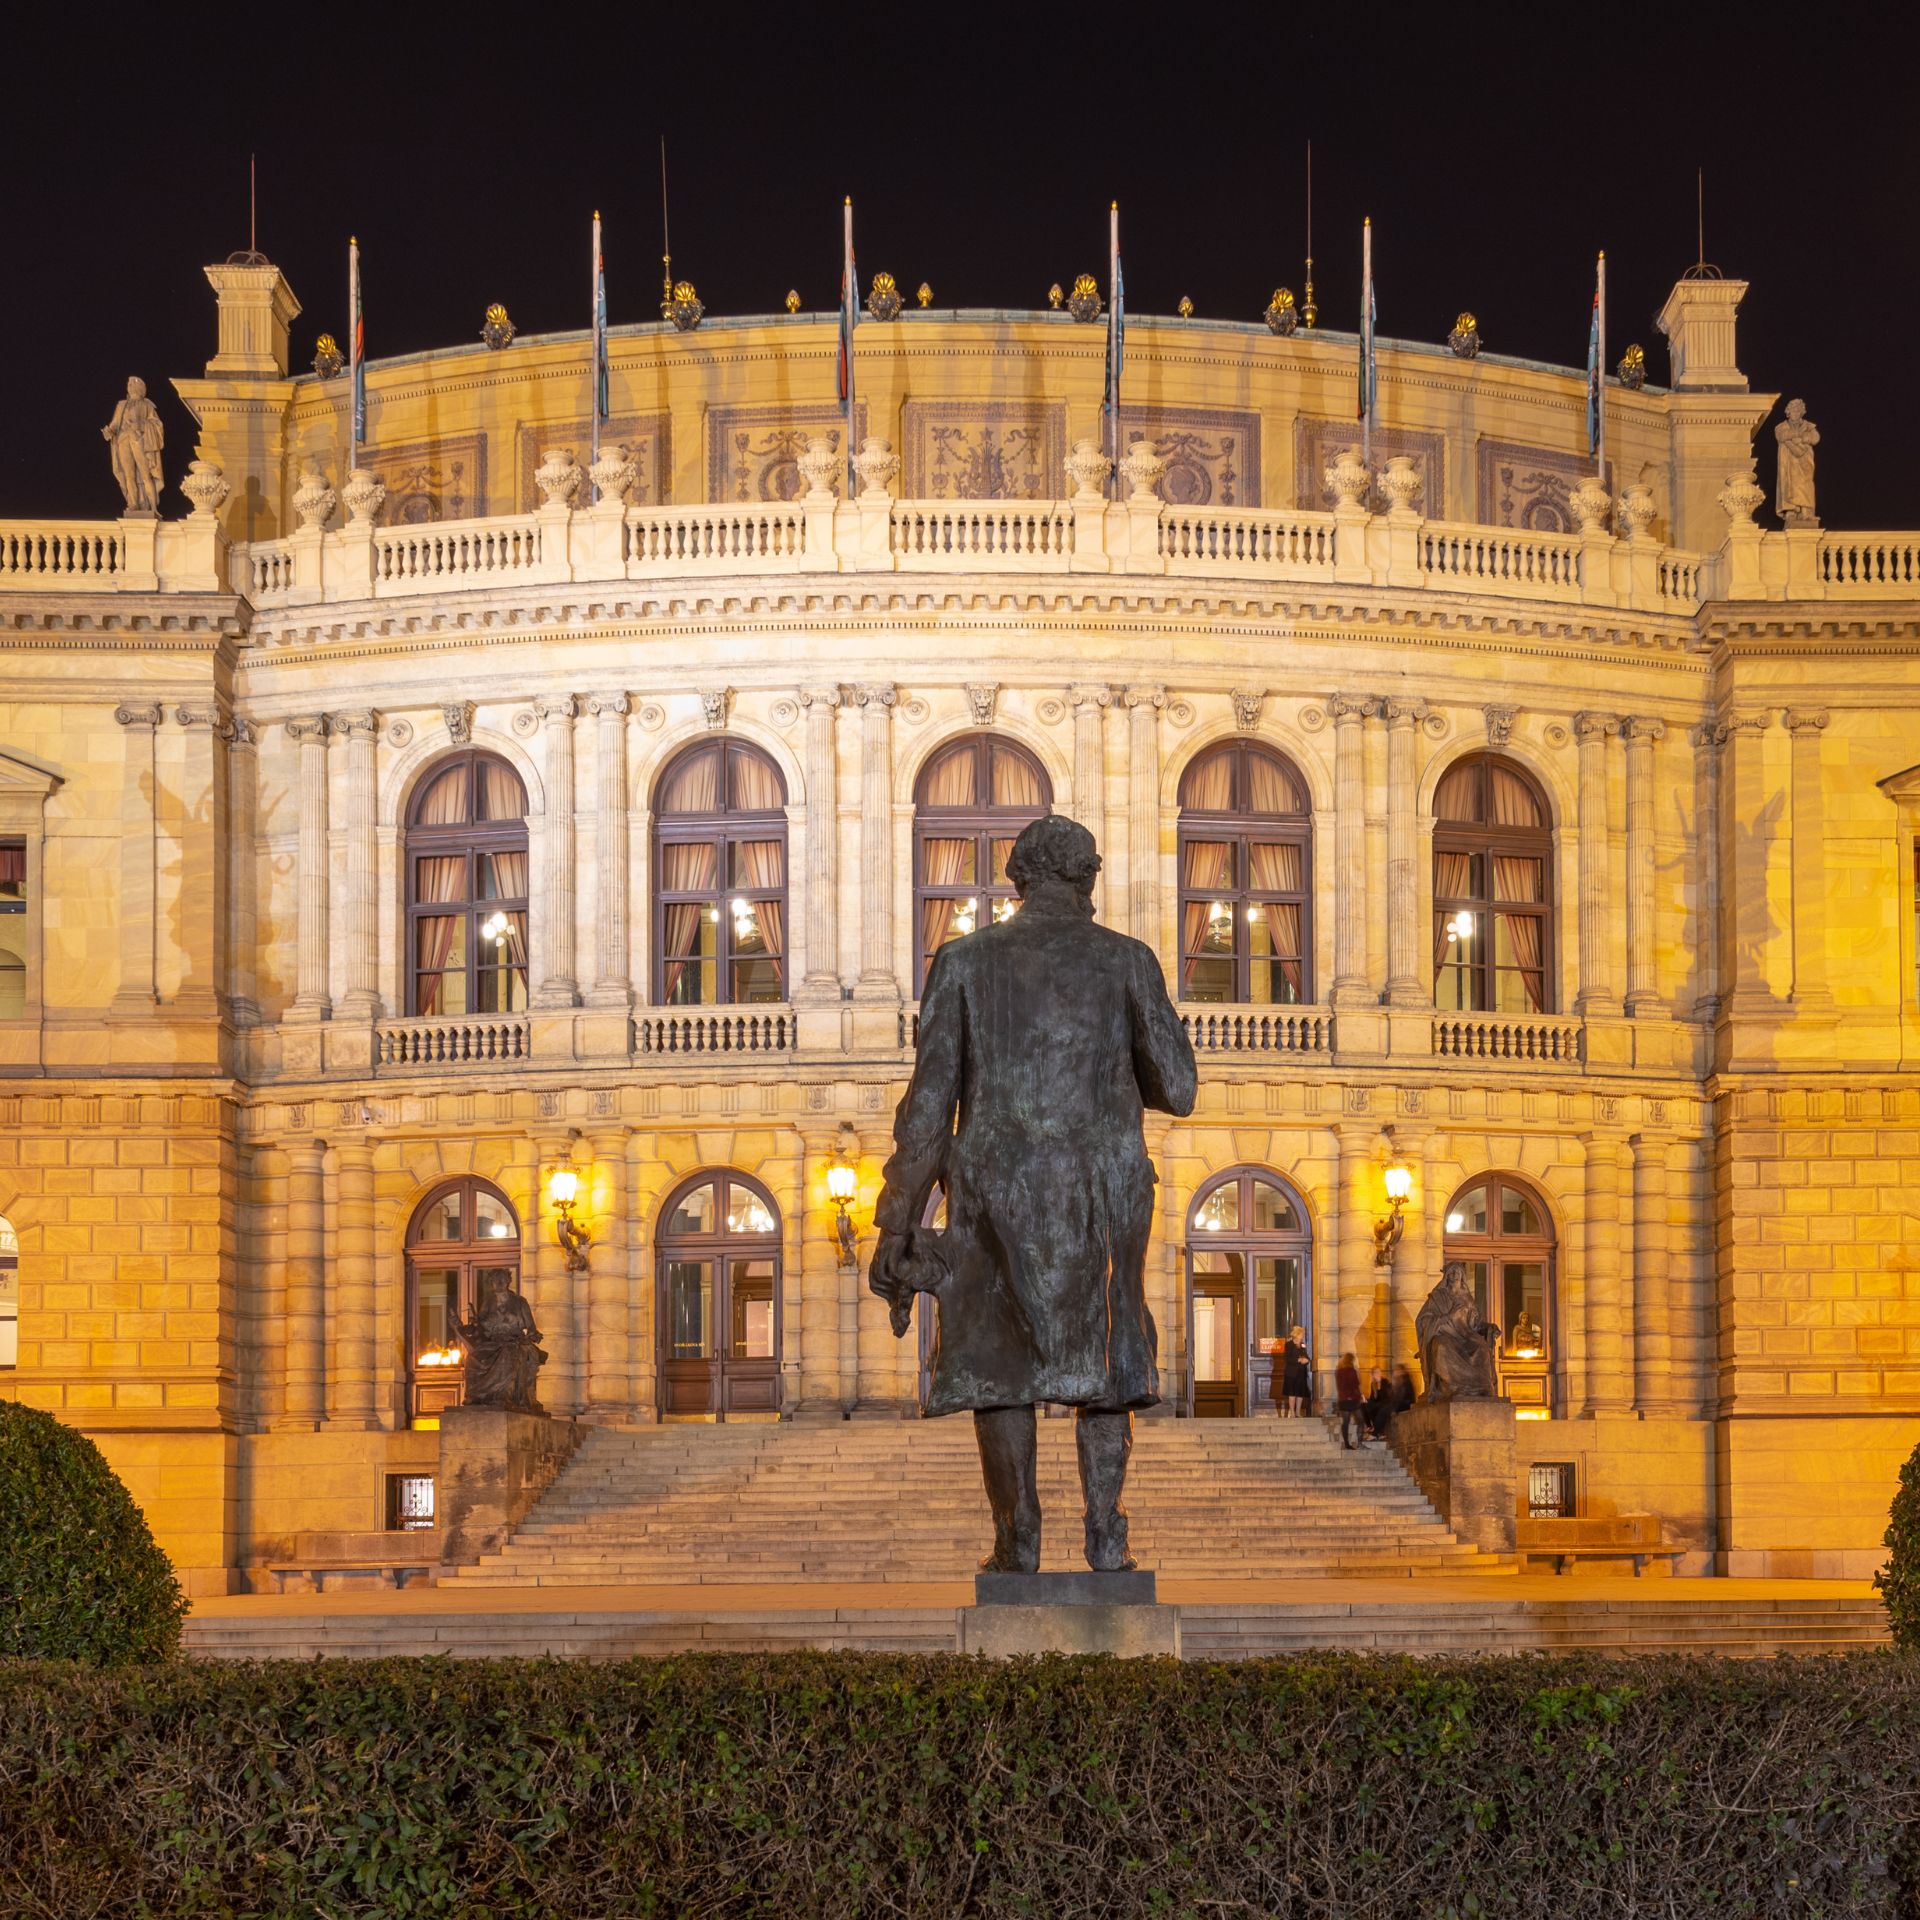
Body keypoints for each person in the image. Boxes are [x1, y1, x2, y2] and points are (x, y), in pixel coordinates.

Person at [869, 814, 1198, 1575]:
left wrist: (899, 1220)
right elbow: (1177, 1088)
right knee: (1108, 1361)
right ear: (1088, 879)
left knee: (998, 1362)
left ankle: (1017, 1538)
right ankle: (1106, 1536)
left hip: (994, 1189)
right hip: (1101, 1189)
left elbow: (927, 1107)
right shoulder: (1128, 961)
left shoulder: (962, 961)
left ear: (1018, 878)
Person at [1279, 1322, 1311, 1418]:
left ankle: (1298, 1412)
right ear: (1296, 1334)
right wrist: (1298, 1360)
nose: (1302, 1336)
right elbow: (1287, 1358)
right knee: (1292, 1393)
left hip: (1301, 1373)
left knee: (1300, 1393)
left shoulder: (1302, 1345)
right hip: (1291, 1373)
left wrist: (1307, 1360)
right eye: (1301, 1334)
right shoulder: (1289, 1344)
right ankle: (1292, 1412)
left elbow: (1306, 1356)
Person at [1334, 1350, 1364, 1450]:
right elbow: (1356, 1384)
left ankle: (1347, 1444)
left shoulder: (1338, 1371)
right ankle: (1359, 1442)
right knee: (1360, 1420)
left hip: (1343, 1400)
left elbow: (1340, 1386)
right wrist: (1360, 1396)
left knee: (1345, 1422)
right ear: (1351, 1360)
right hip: (1353, 1399)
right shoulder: (1352, 1371)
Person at [1363, 1368, 1394, 1443]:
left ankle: (1375, 1431)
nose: (1378, 1374)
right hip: (1377, 1405)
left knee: (1375, 1407)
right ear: (1373, 1375)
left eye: (1378, 1372)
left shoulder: (1385, 1382)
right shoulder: (1373, 1384)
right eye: (1375, 1372)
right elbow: (1372, 1398)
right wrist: (1366, 1400)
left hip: (1386, 1404)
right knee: (1364, 1405)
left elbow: (1388, 1397)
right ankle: (1371, 1427)